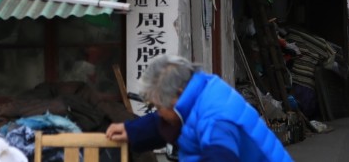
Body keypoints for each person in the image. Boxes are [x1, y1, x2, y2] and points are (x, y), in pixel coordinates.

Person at [105, 55, 290, 162]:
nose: (158, 112)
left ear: (177, 95)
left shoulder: (217, 122)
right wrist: (132, 131)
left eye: (158, 106)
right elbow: (168, 121)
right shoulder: (198, 91)